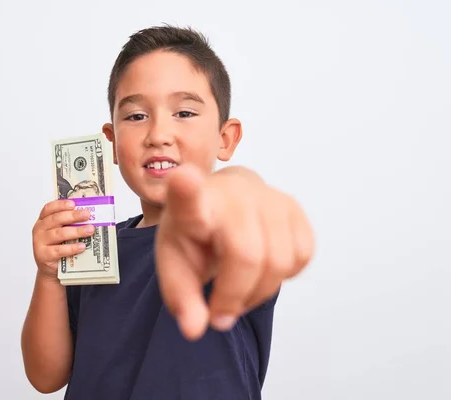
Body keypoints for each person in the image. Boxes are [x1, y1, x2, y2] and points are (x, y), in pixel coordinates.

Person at [21, 25, 315, 399]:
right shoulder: (93, 245)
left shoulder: (218, 233)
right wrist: (48, 275)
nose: (158, 133)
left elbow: (242, 202)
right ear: (110, 144)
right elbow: (46, 377)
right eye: (136, 116)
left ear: (226, 138)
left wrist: (242, 188)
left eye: (184, 112)